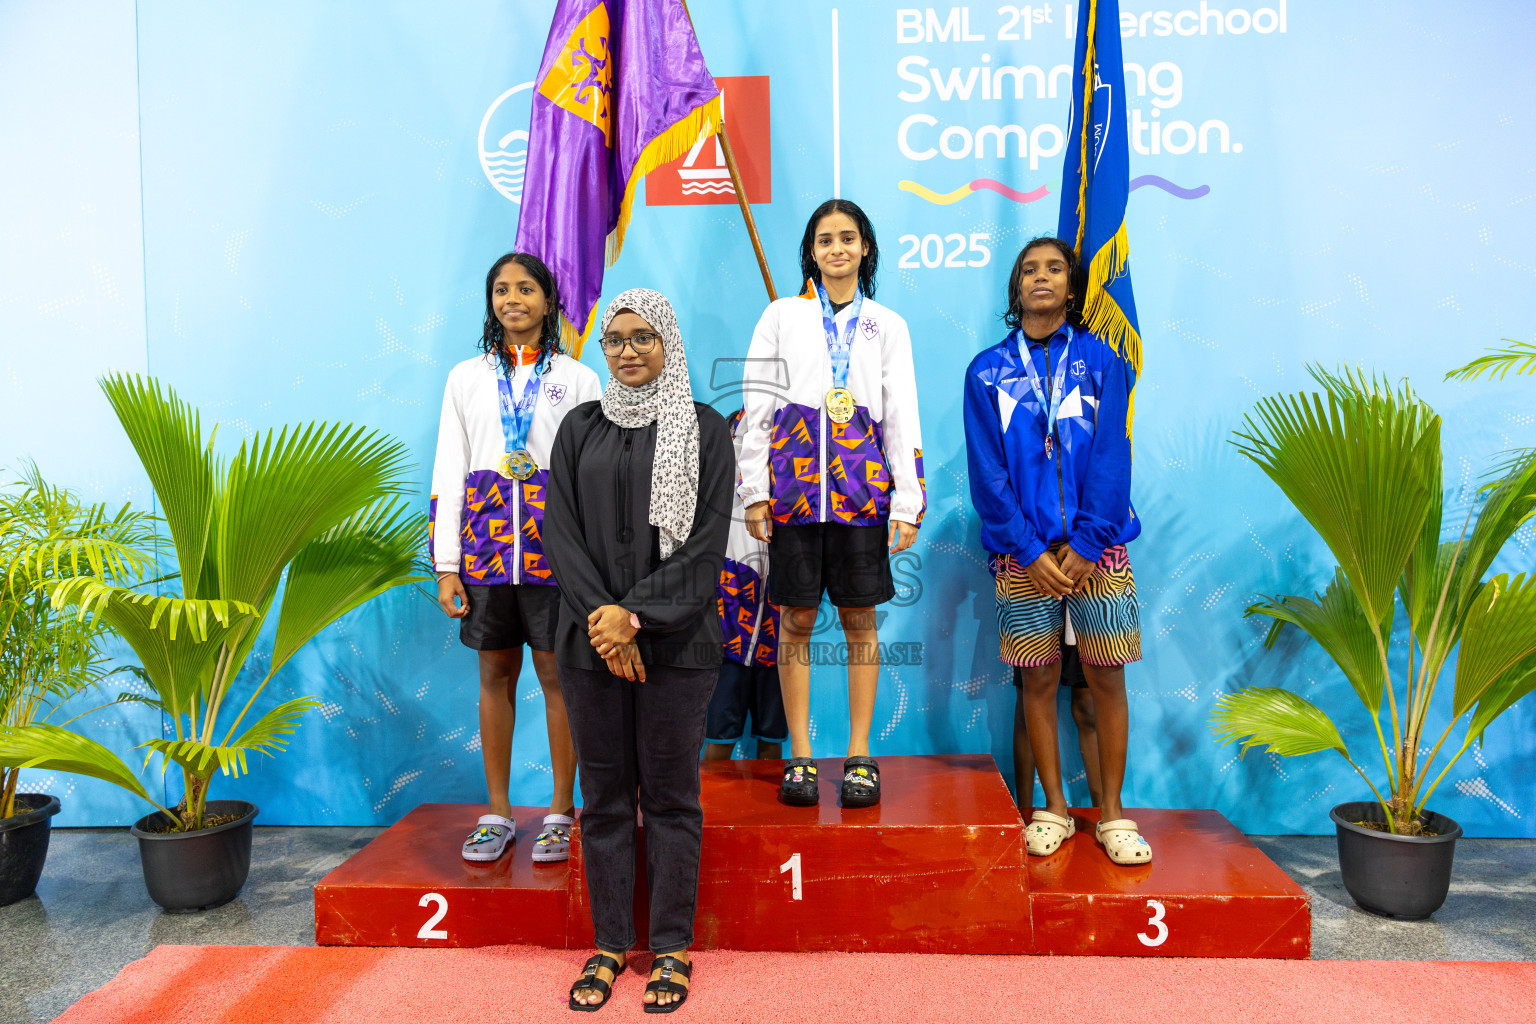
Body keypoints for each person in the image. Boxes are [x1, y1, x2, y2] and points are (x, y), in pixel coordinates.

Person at [544, 289, 732, 1013]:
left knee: (673, 798)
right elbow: (561, 533)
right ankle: (611, 942)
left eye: (642, 337)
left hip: (677, 646)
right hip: (590, 643)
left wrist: (636, 616)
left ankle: (672, 946)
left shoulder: (704, 428)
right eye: (615, 339)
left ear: (668, 342)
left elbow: (706, 544)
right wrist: (607, 619)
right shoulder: (579, 427)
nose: (627, 350)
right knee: (604, 801)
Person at [962, 236, 1149, 865]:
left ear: (1072, 287)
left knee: (1106, 677)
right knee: (1037, 680)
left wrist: (1091, 542)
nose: (1041, 277)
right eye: (1029, 270)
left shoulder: (1103, 361)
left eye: (1055, 269)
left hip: (1100, 551)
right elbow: (988, 473)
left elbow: (1113, 458)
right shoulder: (986, 371)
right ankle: (1055, 808)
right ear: (1016, 288)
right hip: (1024, 556)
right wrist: (1026, 547)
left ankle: (1113, 814)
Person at [737, 198, 925, 809]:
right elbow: (757, 409)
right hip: (793, 499)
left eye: (848, 237)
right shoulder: (782, 315)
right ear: (811, 252)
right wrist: (755, 493)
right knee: (794, 621)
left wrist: (906, 501)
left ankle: (860, 754)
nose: (837, 248)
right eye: (825, 239)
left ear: (865, 247)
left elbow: (901, 415)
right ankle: (800, 754)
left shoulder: (887, 325)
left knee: (859, 621)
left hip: (861, 499)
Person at [429, 252, 601, 864]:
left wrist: (592, 566)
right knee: (494, 676)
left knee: (558, 677)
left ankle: (559, 811)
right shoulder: (465, 378)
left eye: (526, 288)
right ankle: (498, 811)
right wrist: (447, 565)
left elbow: (592, 476)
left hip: (557, 559)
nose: (512, 299)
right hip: (485, 555)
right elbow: (449, 470)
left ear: (549, 301)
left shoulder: (578, 379)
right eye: (501, 289)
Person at [704, 409, 787, 762]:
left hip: (781, 637)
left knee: (773, 738)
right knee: (718, 739)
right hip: (727, 638)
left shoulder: (793, 477)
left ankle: (780, 799)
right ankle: (711, 800)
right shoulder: (717, 494)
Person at [1012, 634, 1102, 811]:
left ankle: (1102, 812)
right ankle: (1024, 812)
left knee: (1087, 707)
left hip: (1080, 619)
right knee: (1028, 702)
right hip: (1034, 620)